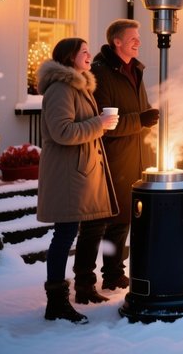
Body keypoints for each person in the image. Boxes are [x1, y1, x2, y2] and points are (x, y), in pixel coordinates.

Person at [73, 19, 159, 303]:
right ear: (116, 42)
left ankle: (113, 272)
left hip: (134, 157)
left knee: (123, 220)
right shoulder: (101, 73)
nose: (139, 42)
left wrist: (149, 117)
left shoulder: (135, 69)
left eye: (138, 37)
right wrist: (140, 120)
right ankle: (84, 282)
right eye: (133, 38)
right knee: (97, 224)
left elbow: (137, 112)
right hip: (109, 159)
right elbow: (104, 123)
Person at [36, 37, 119, 325]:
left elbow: (80, 126)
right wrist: (99, 124)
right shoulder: (61, 88)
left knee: (86, 228)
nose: (89, 55)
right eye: (83, 52)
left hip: (81, 173)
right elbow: (62, 131)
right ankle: (56, 302)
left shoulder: (80, 85)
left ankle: (82, 288)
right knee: (65, 235)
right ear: (70, 57)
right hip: (68, 174)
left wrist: (100, 123)